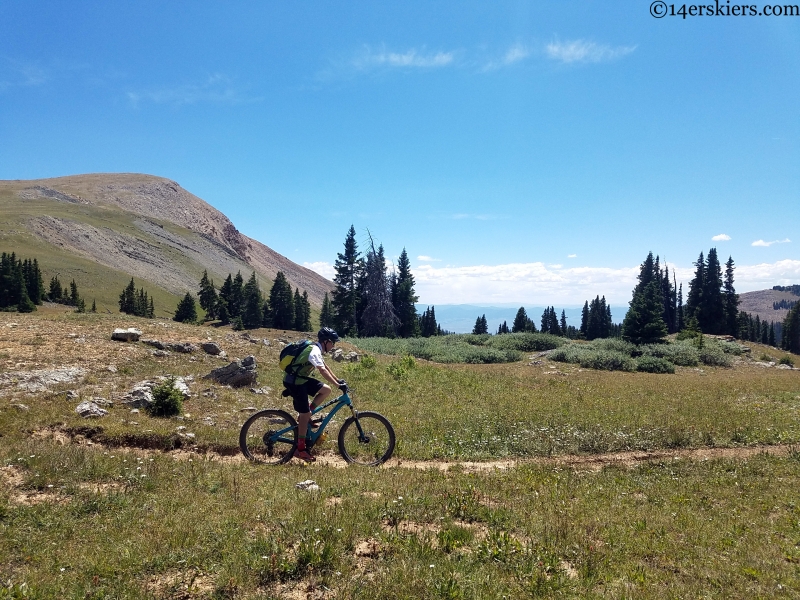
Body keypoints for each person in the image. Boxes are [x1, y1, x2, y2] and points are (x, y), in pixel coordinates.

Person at [283, 327, 347, 462]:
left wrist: (337, 381)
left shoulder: (317, 349)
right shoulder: (314, 350)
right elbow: (322, 370)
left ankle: (307, 415)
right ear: (326, 341)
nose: (333, 346)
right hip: (295, 382)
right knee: (304, 415)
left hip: (300, 379)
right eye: (333, 343)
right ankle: (300, 450)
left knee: (326, 390)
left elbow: (326, 366)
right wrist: (338, 386)